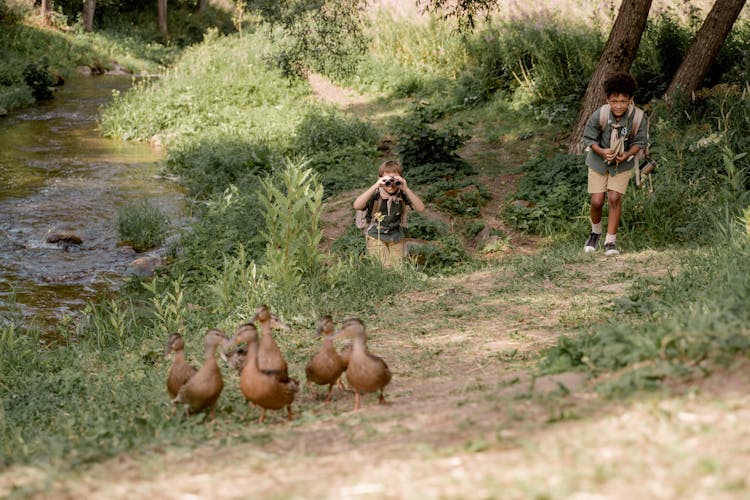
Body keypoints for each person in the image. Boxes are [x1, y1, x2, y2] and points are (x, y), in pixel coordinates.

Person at [581, 72, 648, 256]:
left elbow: (640, 142)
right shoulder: (600, 114)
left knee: (614, 198)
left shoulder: (638, 117)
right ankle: (595, 233)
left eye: (623, 101)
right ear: (607, 100)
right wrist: (602, 151)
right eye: (614, 101)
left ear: (630, 100)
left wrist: (627, 153)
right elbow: (588, 139)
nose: (619, 106)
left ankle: (610, 241)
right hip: (598, 160)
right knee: (597, 201)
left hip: (622, 163)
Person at [353, 160, 425, 267]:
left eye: (394, 180)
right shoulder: (376, 194)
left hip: (396, 235)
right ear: (380, 179)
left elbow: (421, 208)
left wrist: (406, 188)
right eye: (387, 181)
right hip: (375, 234)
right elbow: (357, 205)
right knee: (384, 267)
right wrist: (376, 185)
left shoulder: (402, 194)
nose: (391, 185)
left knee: (397, 267)